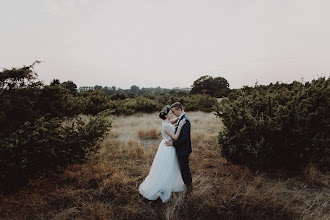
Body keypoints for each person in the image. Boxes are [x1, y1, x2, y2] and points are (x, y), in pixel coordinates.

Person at [139, 105, 187, 203]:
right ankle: (163, 186)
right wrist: (180, 126)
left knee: (169, 167)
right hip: (168, 148)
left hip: (165, 146)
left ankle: (170, 183)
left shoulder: (167, 122)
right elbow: (175, 137)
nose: (172, 114)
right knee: (167, 167)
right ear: (166, 115)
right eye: (170, 113)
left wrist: (180, 117)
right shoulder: (166, 125)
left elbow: (172, 122)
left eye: (172, 113)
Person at [165, 102, 193, 192]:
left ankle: (189, 187)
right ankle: (186, 184)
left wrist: (174, 143)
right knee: (183, 168)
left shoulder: (185, 121)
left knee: (185, 168)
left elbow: (185, 138)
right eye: (171, 112)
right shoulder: (181, 118)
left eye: (173, 111)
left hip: (183, 149)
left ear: (179, 110)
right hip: (181, 148)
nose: (173, 113)